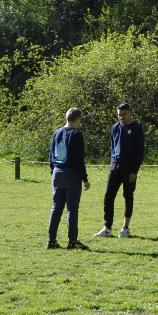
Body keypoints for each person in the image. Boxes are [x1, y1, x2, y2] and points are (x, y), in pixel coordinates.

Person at [96, 102, 145, 239]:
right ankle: (107, 228)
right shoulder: (115, 128)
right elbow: (113, 146)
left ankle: (125, 228)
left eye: (124, 114)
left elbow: (140, 152)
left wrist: (134, 171)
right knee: (108, 196)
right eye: (119, 115)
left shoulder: (137, 128)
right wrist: (113, 161)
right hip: (115, 165)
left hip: (130, 167)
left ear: (130, 112)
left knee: (128, 196)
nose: (122, 117)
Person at [47, 107, 91, 250]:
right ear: (77, 119)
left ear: (66, 118)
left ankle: (51, 240)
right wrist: (85, 178)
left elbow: (51, 156)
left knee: (56, 207)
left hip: (57, 172)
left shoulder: (57, 133)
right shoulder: (76, 134)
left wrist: (53, 172)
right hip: (71, 173)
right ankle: (73, 240)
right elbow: (79, 160)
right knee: (72, 208)